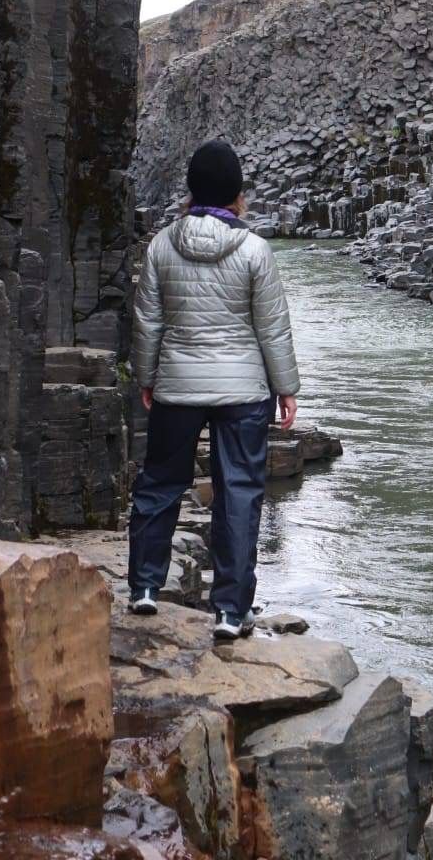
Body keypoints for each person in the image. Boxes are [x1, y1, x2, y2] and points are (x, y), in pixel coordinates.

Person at [127, 138, 299, 641]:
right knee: (239, 493)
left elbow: (148, 322)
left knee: (160, 484)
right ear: (237, 194)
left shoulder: (162, 245)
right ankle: (229, 611)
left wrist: (146, 377)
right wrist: (286, 388)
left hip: (177, 386)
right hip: (243, 391)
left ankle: (144, 587)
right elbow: (273, 329)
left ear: (191, 190)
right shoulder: (254, 249)